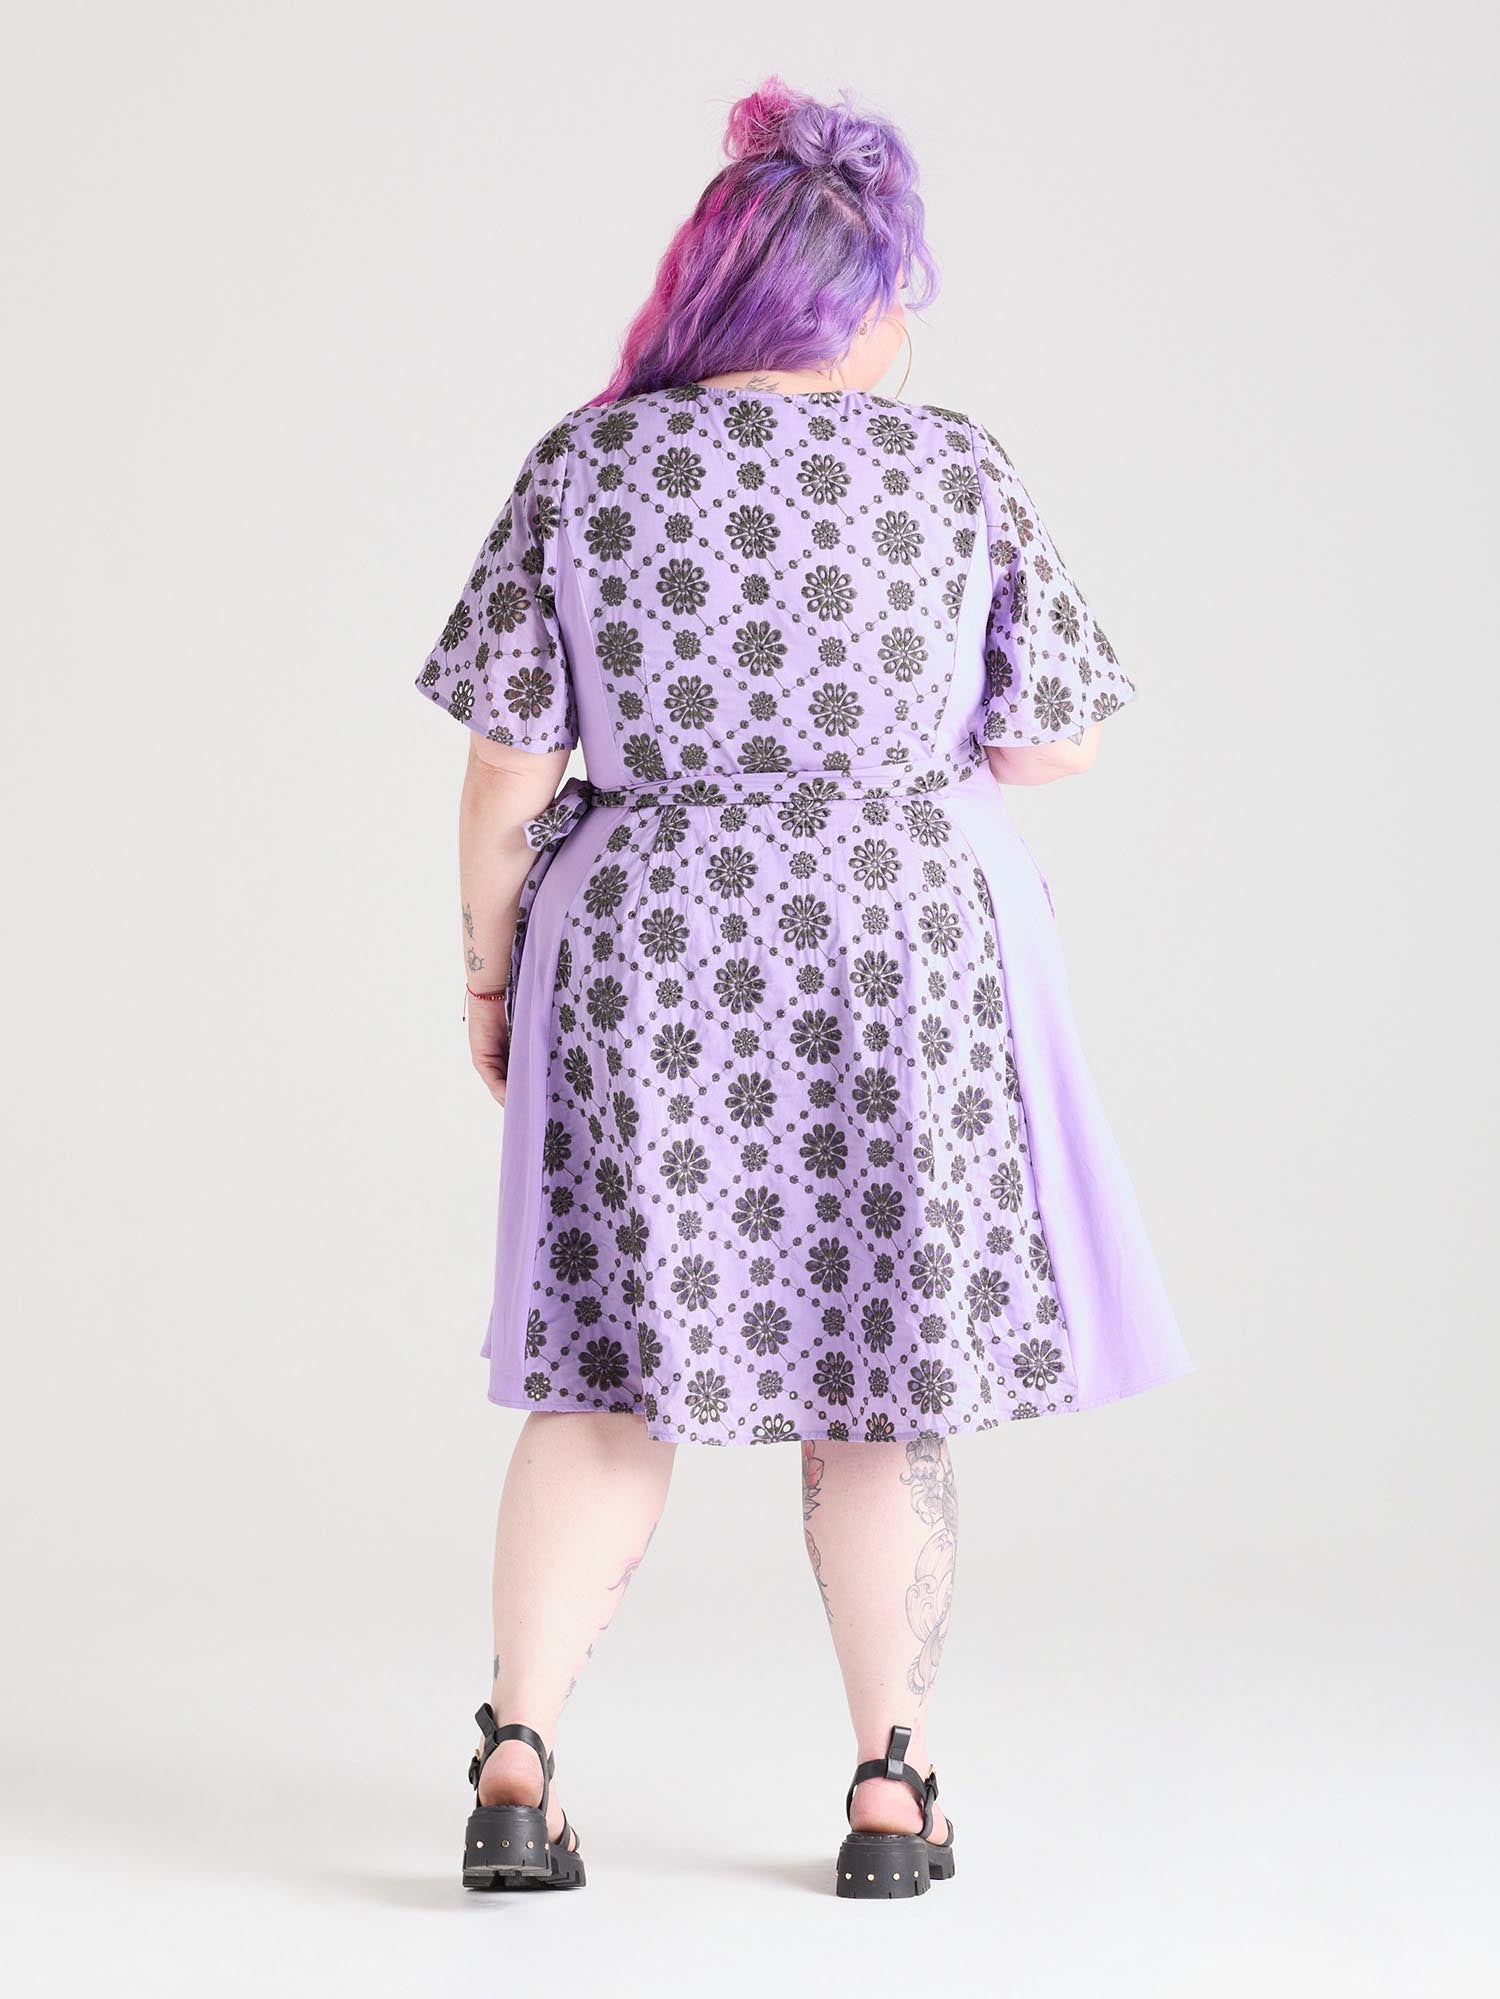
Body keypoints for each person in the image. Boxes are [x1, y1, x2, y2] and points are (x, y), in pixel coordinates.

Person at [412, 75, 1191, 1901]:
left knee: (606, 1370)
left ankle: (515, 1768)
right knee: (882, 1370)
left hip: (646, 947)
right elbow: (1059, 739)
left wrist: (490, 976)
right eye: (900, 294)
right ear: (852, 308)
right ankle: (892, 1795)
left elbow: (508, 763)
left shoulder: (588, 466)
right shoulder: (951, 466)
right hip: (896, 944)